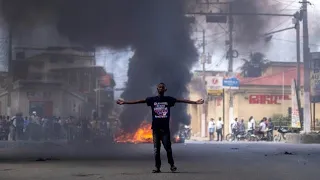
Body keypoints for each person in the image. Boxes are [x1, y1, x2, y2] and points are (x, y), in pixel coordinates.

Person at [116, 82, 204, 173]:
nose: (161, 88)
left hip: (165, 129)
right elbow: (140, 101)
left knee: (168, 148)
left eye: (162, 87)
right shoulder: (152, 100)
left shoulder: (168, 99)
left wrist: (195, 102)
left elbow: (180, 100)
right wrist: (125, 102)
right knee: (156, 150)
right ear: (157, 89)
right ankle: (157, 167)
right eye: (159, 87)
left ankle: (172, 165)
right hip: (156, 129)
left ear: (165, 90)